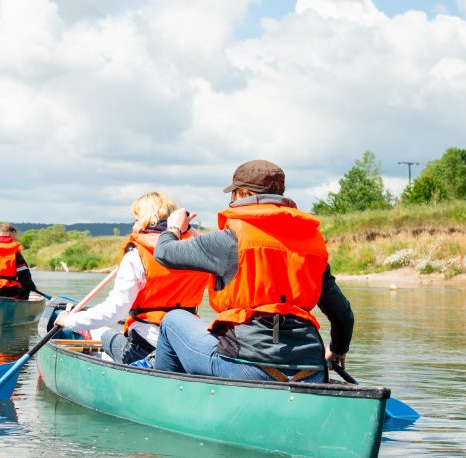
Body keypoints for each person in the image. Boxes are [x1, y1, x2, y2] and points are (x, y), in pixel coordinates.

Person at [151, 160, 354, 383]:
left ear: (244, 193)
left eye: (234, 194)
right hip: (310, 370)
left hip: (246, 366)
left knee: (173, 320)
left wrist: (173, 227)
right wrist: (337, 349)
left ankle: (170, 396)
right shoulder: (312, 244)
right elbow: (342, 314)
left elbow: (164, 253)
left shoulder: (231, 239)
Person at [53, 192, 211, 364]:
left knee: (102, 332)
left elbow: (114, 311)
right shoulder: (197, 251)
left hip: (145, 347)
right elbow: (212, 250)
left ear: (147, 220)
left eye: (136, 219)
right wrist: (189, 229)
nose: (133, 225)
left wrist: (68, 320)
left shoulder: (136, 254)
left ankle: (85, 332)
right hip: (186, 344)